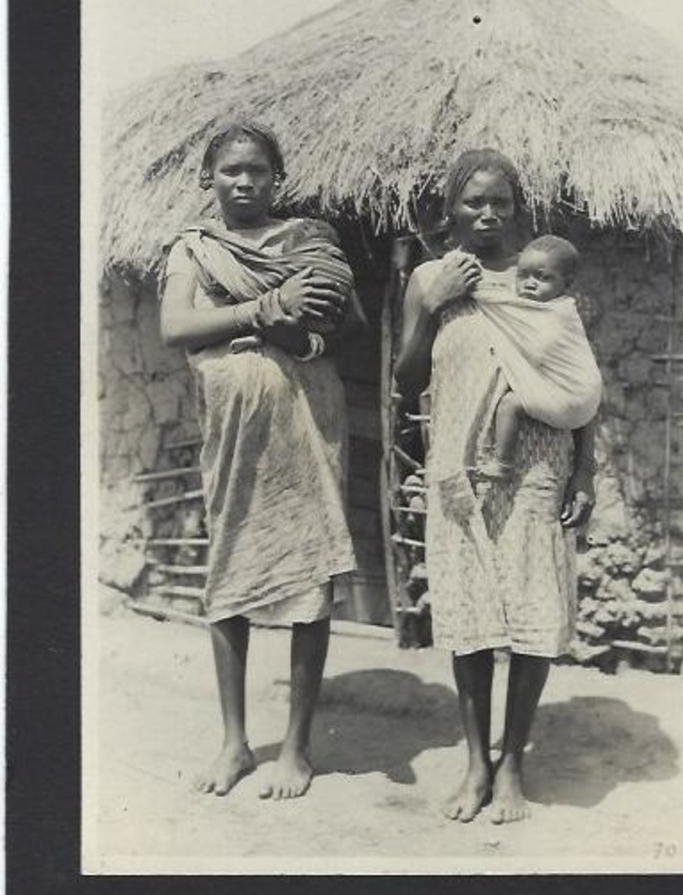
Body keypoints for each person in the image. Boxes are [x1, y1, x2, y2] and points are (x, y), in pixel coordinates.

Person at [160, 121, 362, 801]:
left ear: (278, 179)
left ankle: (298, 748)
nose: (243, 182)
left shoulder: (307, 241)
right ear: (207, 178)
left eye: (256, 171)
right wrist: (267, 306)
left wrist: (300, 335)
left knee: (309, 571)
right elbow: (176, 327)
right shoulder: (194, 248)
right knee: (229, 573)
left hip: (307, 420)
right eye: (229, 171)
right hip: (235, 432)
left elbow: (347, 325)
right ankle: (233, 742)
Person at [395, 148, 596, 825]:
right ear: (449, 208)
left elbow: (578, 382)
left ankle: (513, 765)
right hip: (460, 465)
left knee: (532, 614)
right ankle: (476, 765)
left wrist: (586, 470)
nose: (487, 214)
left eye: (500, 203)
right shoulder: (429, 278)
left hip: (538, 463)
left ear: (517, 209)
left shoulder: (541, 279)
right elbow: (404, 377)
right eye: (473, 202)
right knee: (470, 615)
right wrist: (433, 306)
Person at [472, 234, 602, 480]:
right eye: (523, 276)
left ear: (567, 283)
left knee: (510, 404)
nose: (530, 284)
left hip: (572, 396)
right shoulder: (547, 307)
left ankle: (503, 463)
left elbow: (498, 304)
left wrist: (475, 292)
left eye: (543, 278)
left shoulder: (560, 313)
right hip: (582, 399)